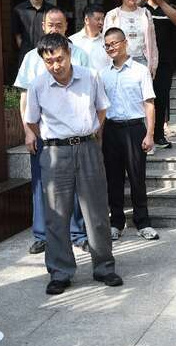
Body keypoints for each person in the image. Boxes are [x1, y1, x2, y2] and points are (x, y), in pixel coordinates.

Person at [24, 33, 122, 295]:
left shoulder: (90, 77)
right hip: (55, 152)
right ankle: (60, 272)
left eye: (60, 59)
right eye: (49, 61)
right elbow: (32, 121)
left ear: (69, 53)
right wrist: (56, 138)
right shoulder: (38, 85)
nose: (56, 65)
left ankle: (104, 267)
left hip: (88, 147)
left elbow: (102, 109)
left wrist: (90, 133)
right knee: (56, 215)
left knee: (97, 212)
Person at [14, 8, 90, 255]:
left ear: (67, 26)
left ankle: (77, 233)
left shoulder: (80, 54)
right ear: (43, 27)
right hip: (44, 133)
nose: (55, 29)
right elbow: (24, 98)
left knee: (76, 186)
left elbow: (92, 93)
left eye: (59, 25)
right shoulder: (31, 58)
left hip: (75, 135)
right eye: (50, 25)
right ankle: (42, 234)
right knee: (41, 185)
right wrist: (28, 131)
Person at [100, 27, 160, 241]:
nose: (111, 48)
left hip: (135, 129)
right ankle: (116, 222)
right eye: (107, 45)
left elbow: (149, 103)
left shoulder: (140, 70)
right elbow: (100, 108)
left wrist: (150, 134)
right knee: (113, 179)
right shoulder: (103, 74)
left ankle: (143, 223)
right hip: (111, 130)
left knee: (137, 178)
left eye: (114, 43)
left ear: (125, 43)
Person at [138, 0, 176, 150]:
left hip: (164, 61)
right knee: (142, 98)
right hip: (142, 61)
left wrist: (161, 2)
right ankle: (143, 134)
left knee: (161, 97)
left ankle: (158, 135)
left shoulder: (169, 8)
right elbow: (129, 13)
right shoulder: (140, 10)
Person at [103, 0, 158, 76]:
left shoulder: (145, 13)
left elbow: (152, 40)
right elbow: (106, 40)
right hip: (120, 60)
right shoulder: (112, 15)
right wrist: (108, 64)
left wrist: (153, 64)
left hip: (142, 59)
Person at [12, 0, 54, 64]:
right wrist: (27, 52)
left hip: (48, 57)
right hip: (26, 57)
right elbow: (18, 36)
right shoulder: (19, 10)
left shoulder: (52, 11)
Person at [70, 4, 110, 74]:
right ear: (86, 20)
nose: (101, 22)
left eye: (102, 19)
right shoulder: (72, 41)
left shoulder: (107, 41)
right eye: (98, 19)